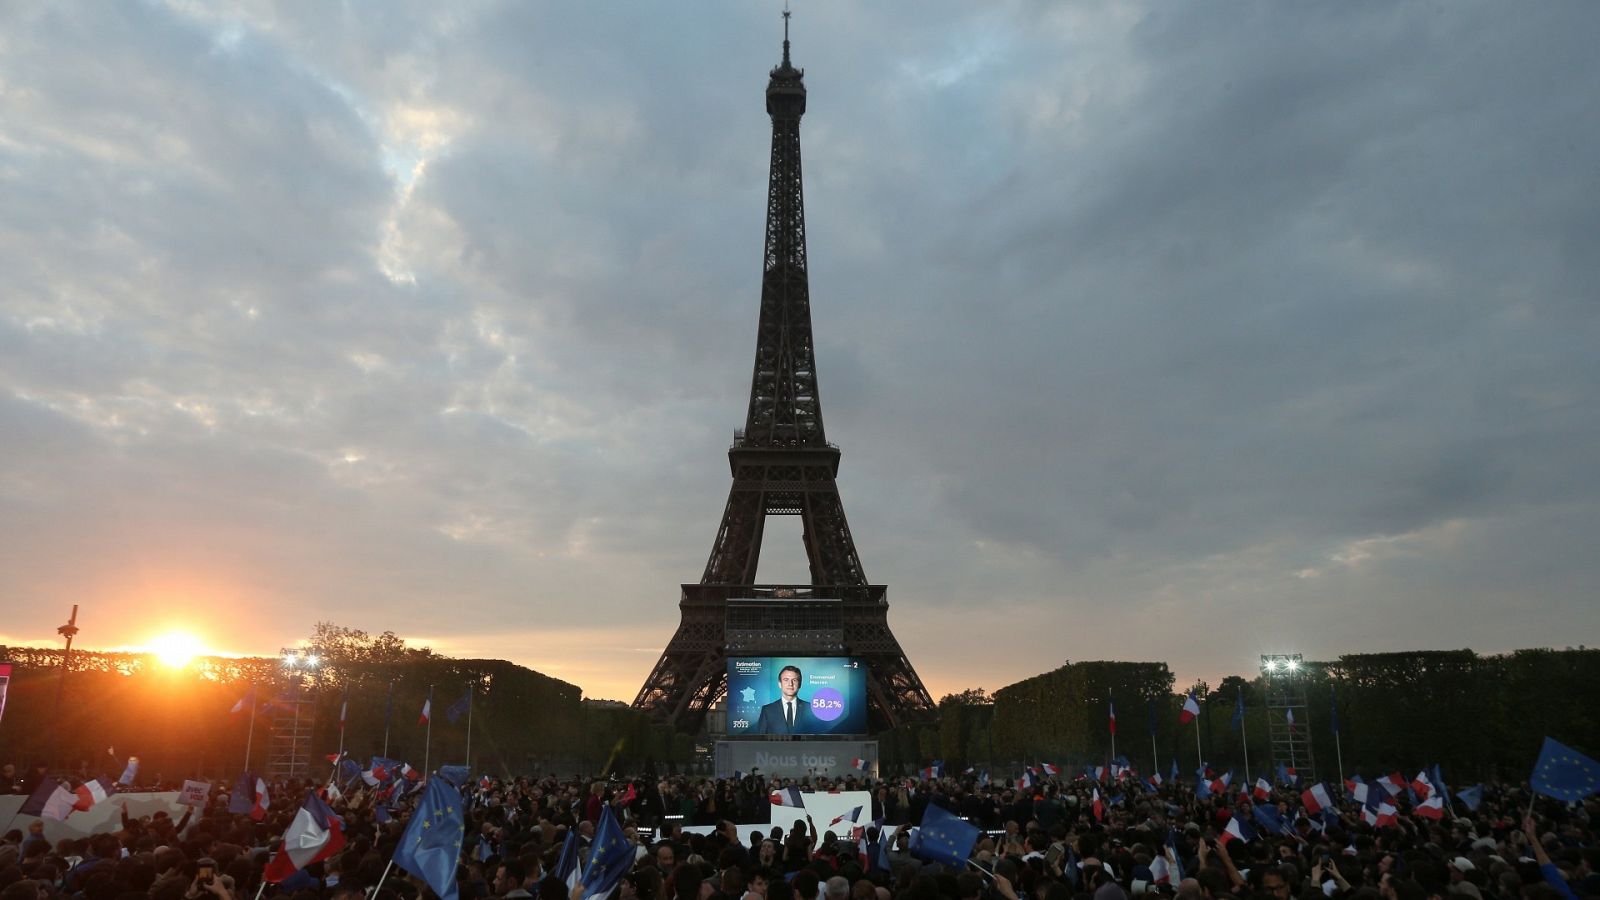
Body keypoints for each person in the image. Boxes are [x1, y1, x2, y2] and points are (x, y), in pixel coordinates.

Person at [753, 666, 819, 735]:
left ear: (799, 684)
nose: (790, 684)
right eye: (786, 680)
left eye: (794, 680)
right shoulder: (767, 710)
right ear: (779, 684)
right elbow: (760, 741)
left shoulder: (811, 709)